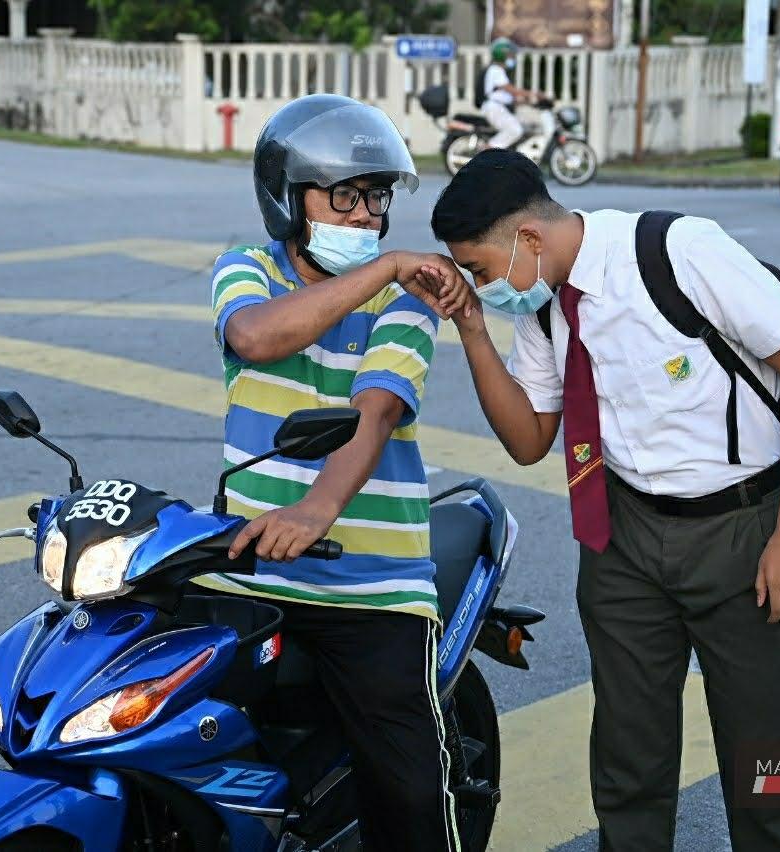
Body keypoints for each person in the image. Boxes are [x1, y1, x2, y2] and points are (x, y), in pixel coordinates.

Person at [428, 149, 780, 851]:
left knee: (767, 766)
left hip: (740, 529)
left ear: (528, 238)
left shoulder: (678, 252)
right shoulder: (544, 307)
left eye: (481, 270)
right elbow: (528, 439)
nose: (481, 286)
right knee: (627, 763)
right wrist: (471, 328)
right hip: (624, 536)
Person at [201, 93, 467, 852]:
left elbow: (375, 412)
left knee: (412, 797)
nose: (365, 217)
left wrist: (316, 510)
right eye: (345, 196)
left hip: (374, 588)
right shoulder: (246, 270)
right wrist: (383, 264)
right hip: (249, 569)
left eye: (376, 198)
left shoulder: (409, 299)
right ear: (287, 198)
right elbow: (254, 338)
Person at [481, 37, 543, 150]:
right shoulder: (496, 70)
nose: (512, 58)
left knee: (523, 126)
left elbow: (507, 96)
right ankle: (486, 150)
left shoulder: (498, 71)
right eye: (510, 55)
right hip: (495, 108)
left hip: (499, 107)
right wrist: (532, 94)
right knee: (515, 130)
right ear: (502, 55)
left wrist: (527, 102)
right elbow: (510, 90)